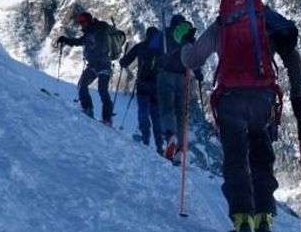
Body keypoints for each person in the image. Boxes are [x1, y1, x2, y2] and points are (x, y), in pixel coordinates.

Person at [180, 0, 301, 232]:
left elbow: (192, 59)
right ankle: (263, 225)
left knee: (237, 162)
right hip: (263, 100)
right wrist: (298, 96)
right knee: (262, 161)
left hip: (230, 101)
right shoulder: (268, 23)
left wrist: (185, 47)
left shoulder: (221, 25)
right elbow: (293, 58)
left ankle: (242, 226)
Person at [157, 14, 203, 160]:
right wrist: (198, 73)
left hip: (166, 75)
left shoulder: (164, 34)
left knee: (167, 108)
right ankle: (181, 150)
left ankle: (171, 137)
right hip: (184, 78)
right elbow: (194, 57)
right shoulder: (188, 36)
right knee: (182, 113)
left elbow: (152, 49)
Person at [57, 11, 116, 125]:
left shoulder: (100, 28)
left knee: (102, 90)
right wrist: (65, 40)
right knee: (82, 84)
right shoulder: (88, 33)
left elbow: (106, 33)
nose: (81, 24)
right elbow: (78, 41)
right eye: (80, 22)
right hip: (94, 65)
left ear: (88, 20)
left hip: (104, 64)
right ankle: (88, 109)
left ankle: (107, 119)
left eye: (83, 21)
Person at [119, 26, 164, 154]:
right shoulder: (162, 49)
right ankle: (159, 145)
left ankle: (145, 138)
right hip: (157, 86)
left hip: (143, 83)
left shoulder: (141, 46)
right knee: (156, 115)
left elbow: (126, 61)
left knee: (143, 109)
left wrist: (122, 61)